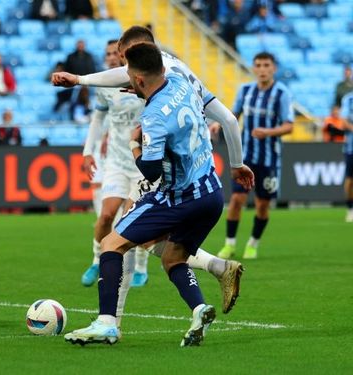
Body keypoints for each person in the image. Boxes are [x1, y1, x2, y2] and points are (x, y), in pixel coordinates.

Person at [52, 25, 252, 318]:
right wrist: (236, 164)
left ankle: (111, 320)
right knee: (147, 239)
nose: (123, 68)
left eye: (124, 60)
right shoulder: (179, 73)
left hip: (163, 173)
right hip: (195, 172)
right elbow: (230, 121)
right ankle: (215, 268)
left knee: (121, 237)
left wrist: (80, 79)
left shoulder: (152, 88)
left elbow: (152, 158)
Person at [80, 40, 152, 291]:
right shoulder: (104, 86)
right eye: (108, 53)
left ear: (125, 56)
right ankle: (97, 259)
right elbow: (98, 119)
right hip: (116, 162)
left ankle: (141, 267)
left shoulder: (144, 81)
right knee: (106, 216)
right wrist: (88, 151)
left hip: (143, 163)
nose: (111, 57)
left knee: (131, 218)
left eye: (115, 53)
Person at [216, 52, 293, 260]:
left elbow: (289, 126)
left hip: (269, 160)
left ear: (274, 68)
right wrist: (218, 123)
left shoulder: (281, 93)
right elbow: (233, 115)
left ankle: (253, 243)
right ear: (253, 68)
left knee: (262, 205)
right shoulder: (245, 90)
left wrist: (268, 132)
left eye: (266, 65)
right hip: (245, 156)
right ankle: (229, 244)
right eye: (258, 65)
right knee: (236, 200)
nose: (262, 69)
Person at [337, 91, 353, 222]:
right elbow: (343, 122)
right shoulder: (348, 99)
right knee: (350, 180)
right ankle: (350, 209)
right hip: (351, 147)